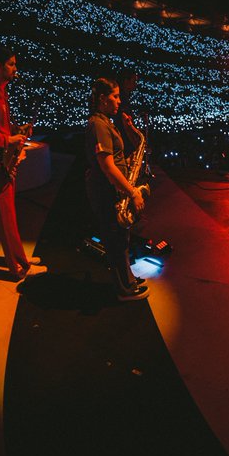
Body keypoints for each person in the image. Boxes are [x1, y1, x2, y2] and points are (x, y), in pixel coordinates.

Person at [0, 44, 46, 283]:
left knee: (10, 213)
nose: (15, 68)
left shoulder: (0, 91)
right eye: (11, 64)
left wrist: (18, 130)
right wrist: (10, 138)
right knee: (5, 216)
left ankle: (20, 258)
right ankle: (18, 267)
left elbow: (0, 125)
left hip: (4, 159)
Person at [86, 77, 149, 301]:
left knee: (121, 238)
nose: (119, 101)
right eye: (115, 96)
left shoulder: (106, 121)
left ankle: (128, 279)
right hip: (107, 192)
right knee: (115, 240)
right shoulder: (98, 124)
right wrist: (132, 192)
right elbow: (107, 165)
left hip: (114, 189)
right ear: (103, 99)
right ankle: (123, 288)